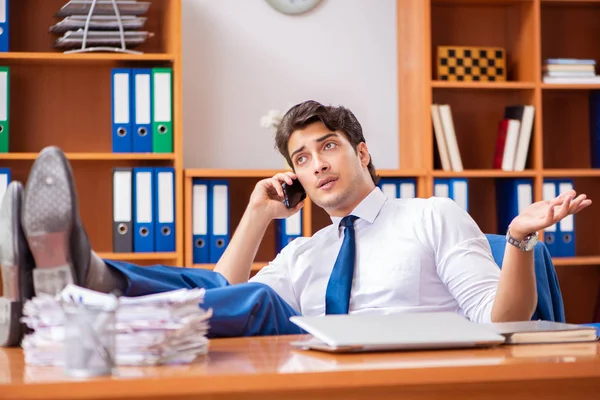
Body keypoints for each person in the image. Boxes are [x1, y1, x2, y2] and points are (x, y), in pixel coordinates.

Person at [0, 100, 591, 347]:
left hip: (401, 370)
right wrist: (257, 215)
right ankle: (73, 288)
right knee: (252, 297)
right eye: (301, 159)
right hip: (315, 367)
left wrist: (517, 239)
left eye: (327, 147)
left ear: (361, 153)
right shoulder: (310, 247)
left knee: (261, 306)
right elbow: (219, 291)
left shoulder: (431, 214)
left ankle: (86, 286)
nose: (316, 165)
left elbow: (502, 320)